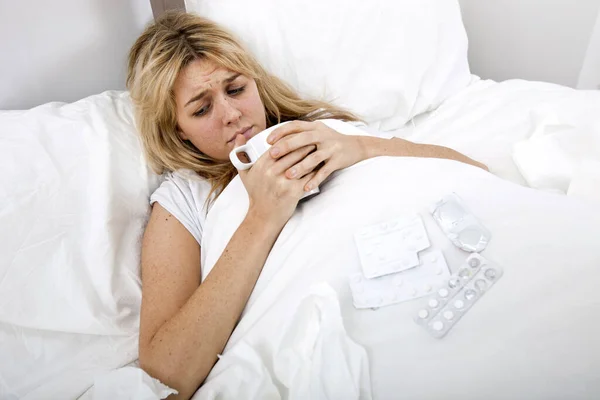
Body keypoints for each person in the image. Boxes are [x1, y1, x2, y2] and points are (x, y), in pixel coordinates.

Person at [126, 11, 487, 400]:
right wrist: (262, 218)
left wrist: (361, 147)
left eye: (235, 89)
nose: (231, 115)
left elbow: (474, 172)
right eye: (201, 109)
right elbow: (167, 375)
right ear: (177, 128)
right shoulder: (184, 198)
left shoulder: (321, 127)